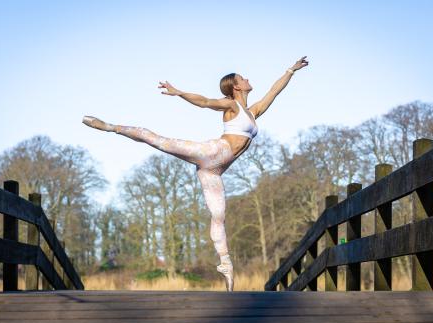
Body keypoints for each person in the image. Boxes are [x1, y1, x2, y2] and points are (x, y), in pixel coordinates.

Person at [82, 56, 309, 291]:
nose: (248, 79)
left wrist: (291, 70)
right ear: (236, 86)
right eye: (243, 78)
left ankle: (225, 265)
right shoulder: (232, 105)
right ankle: (110, 127)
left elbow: (275, 91)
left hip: (214, 171)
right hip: (210, 153)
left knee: (219, 216)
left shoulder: (253, 112)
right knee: (160, 141)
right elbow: (204, 102)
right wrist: (178, 92)